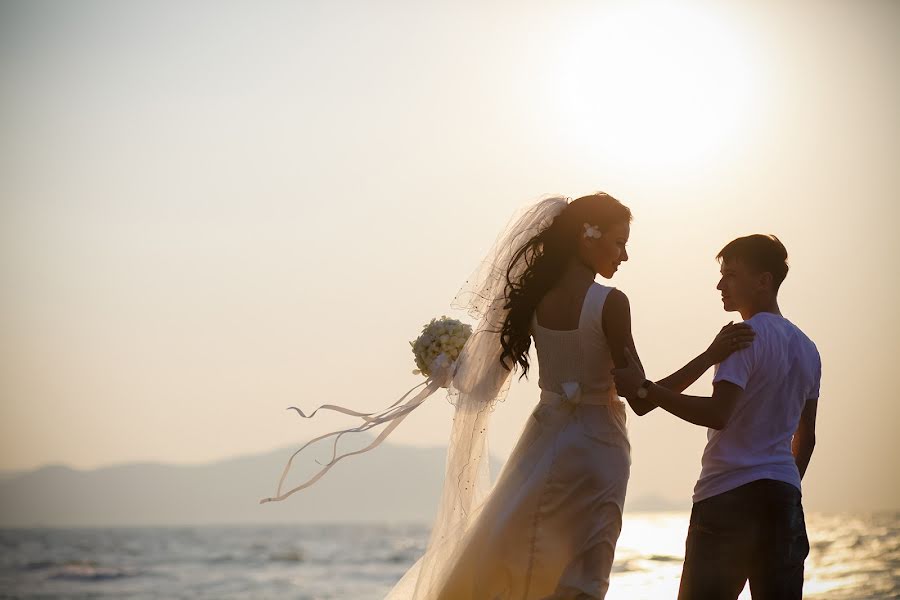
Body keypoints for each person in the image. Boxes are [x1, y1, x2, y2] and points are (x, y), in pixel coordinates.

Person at [384, 194, 753, 599]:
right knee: (586, 574)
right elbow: (643, 398)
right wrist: (709, 356)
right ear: (587, 238)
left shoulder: (531, 303)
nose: (625, 255)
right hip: (598, 450)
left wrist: (450, 363)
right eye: (618, 242)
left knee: (524, 558)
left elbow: (480, 381)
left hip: (543, 447)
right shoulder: (611, 302)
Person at [612, 234, 820, 600]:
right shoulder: (809, 348)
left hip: (728, 497)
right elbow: (807, 437)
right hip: (784, 497)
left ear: (764, 281)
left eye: (732, 275)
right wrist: (784, 484)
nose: (720, 284)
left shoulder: (742, 338)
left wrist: (647, 390)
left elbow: (718, 413)